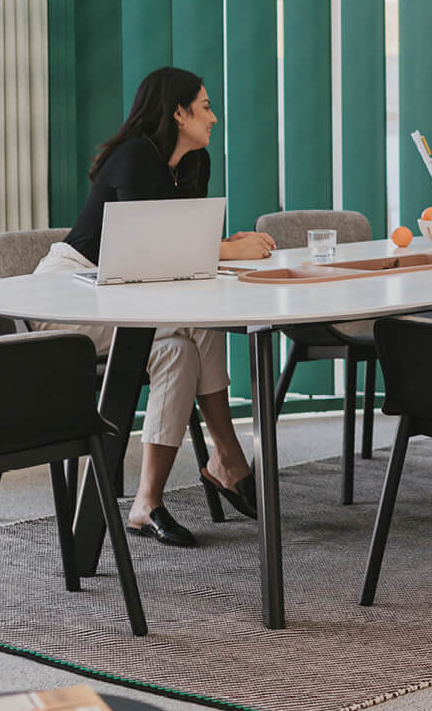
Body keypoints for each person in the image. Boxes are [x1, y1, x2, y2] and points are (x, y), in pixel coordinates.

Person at [34, 67, 276, 549]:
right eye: (205, 106)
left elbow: (178, 249)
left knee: (180, 351)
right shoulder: (134, 157)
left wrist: (225, 243)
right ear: (178, 112)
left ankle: (147, 503)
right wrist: (226, 251)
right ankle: (227, 457)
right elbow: (150, 249)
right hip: (71, 293)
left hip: (127, 296)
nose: (213, 117)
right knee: (196, 324)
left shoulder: (194, 164)